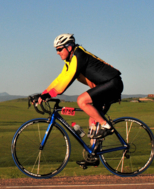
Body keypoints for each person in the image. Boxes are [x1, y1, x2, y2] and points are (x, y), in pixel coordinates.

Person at [38, 33, 123, 167]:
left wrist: (49, 95)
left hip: (112, 83)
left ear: (69, 47)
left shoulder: (79, 56)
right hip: (104, 86)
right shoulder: (70, 60)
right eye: (56, 50)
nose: (57, 52)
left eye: (59, 49)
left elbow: (65, 83)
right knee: (92, 120)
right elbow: (60, 79)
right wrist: (43, 93)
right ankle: (94, 155)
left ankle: (107, 126)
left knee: (82, 100)